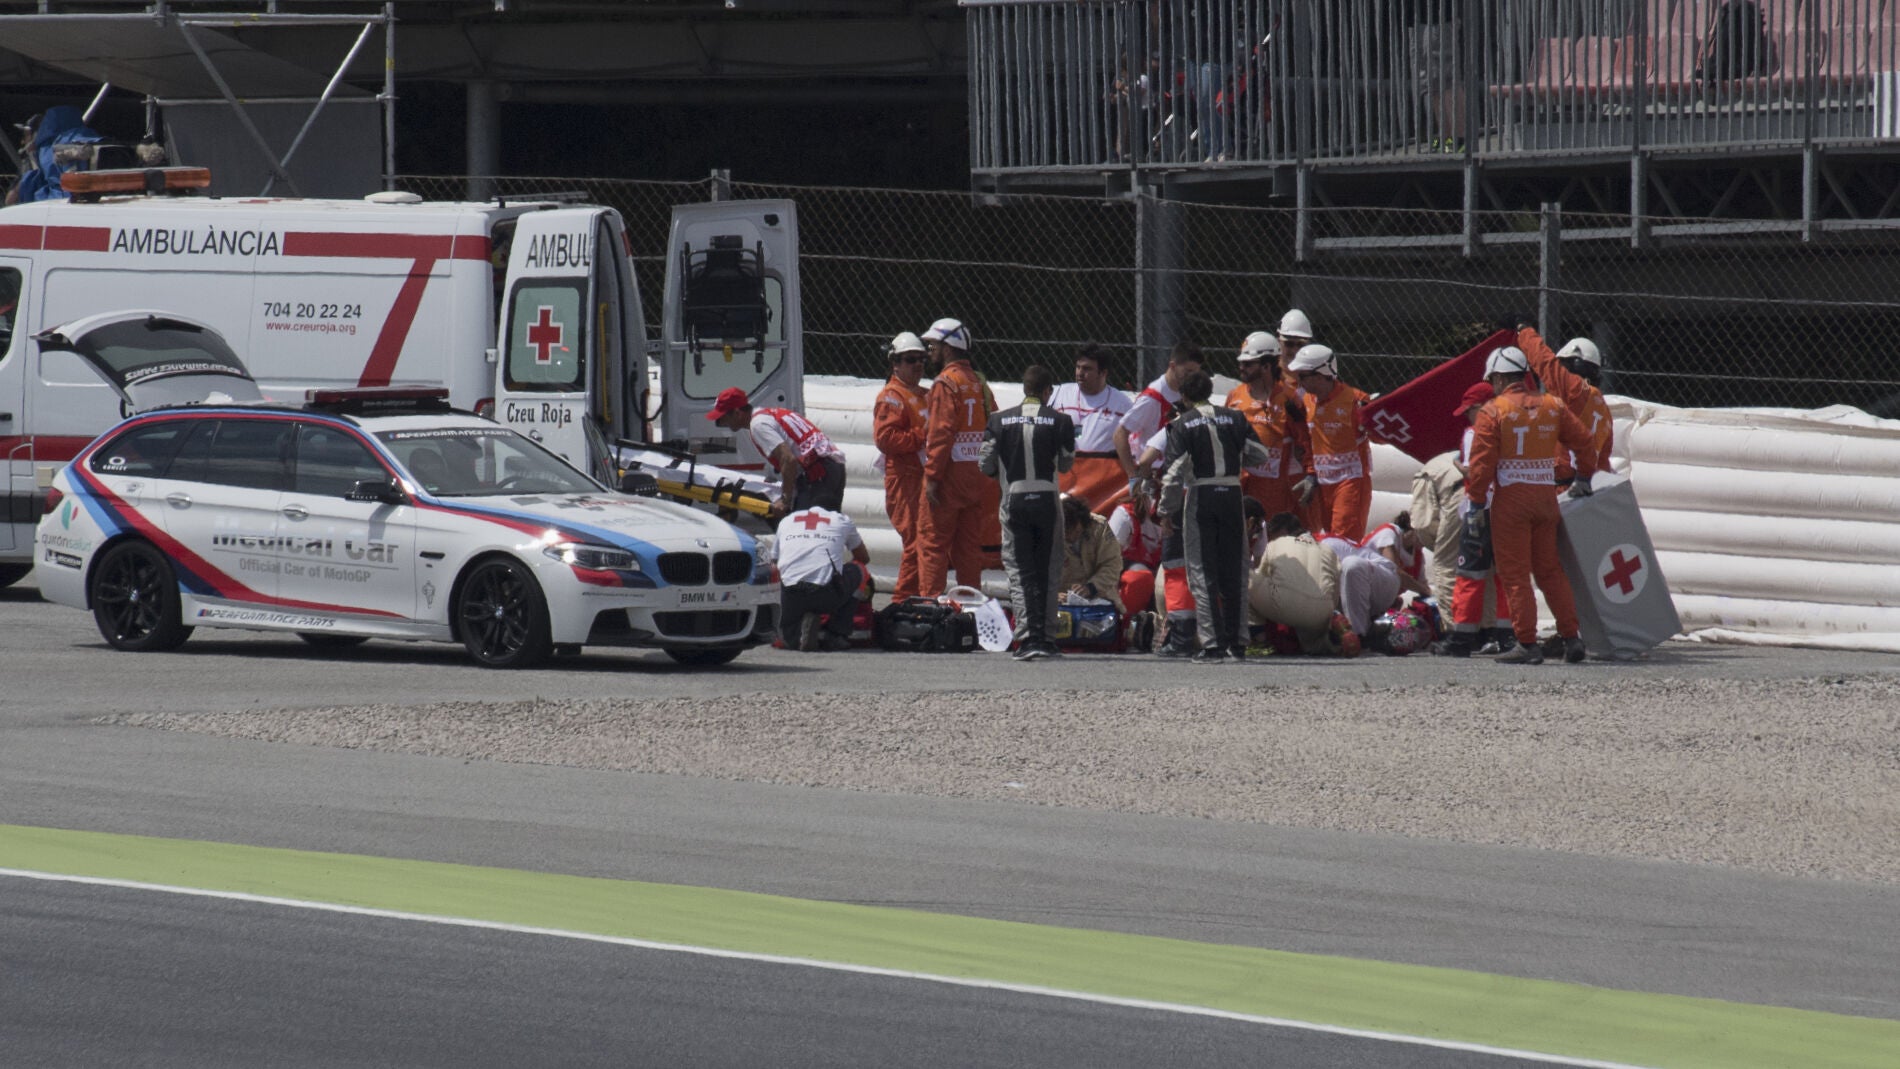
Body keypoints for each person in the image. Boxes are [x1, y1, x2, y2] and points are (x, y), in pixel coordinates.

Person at [1465, 346, 1599, 665]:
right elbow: (1584, 441)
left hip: (1511, 503)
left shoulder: (1492, 411)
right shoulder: (1553, 405)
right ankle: (1571, 637)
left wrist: (1476, 504)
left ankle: (1526, 643)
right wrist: (1583, 477)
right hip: (1545, 500)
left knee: (1515, 576)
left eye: (1492, 381)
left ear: (1499, 379)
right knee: (1550, 571)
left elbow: (1481, 466)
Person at [1159, 369, 1270, 663]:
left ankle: (1212, 645)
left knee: (1201, 570)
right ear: (1209, 392)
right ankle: (1238, 643)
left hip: (1201, 495)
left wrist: (1166, 512)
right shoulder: (1235, 418)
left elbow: (1172, 475)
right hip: (1233, 494)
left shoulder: (1182, 424)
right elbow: (1261, 453)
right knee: (1235, 569)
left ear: (1184, 396)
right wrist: (1235, 457)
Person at [978, 364, 1075, 661]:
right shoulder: (1061, 420)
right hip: (1047, 501)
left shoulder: (998, 420)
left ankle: (1026, 638)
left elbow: (984, 464)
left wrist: (1004, 473)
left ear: (1024, 389)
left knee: (1021, 572)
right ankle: (1046, 638)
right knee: (1048, 569)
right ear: (1047, 392)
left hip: (1014, 500)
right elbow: (1066, 464)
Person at [1414, 382, 1513, 654]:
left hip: (1475, 503)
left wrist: (1459, 467)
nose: (1467, 416)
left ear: (1481, 407)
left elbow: (1473, 473)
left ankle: (1457, 634)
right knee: (1501, 573)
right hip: (1506, 505)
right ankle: (1501, 635)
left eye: (1469, 410)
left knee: (1455, 568)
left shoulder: (1475, 431)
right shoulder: (1513, 427)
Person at [918, 316, 1002, 596]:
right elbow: (994, 422)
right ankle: (970, 608)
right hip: (975, 479)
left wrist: (932, 478)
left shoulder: (945, 383)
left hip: (948, 479)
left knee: (933, 546)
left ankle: (930, 607)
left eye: (933, 345)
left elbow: (940, 435)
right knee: (968, 549)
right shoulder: (978, 382)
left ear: (948, 347)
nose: (930, 350)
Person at [708, 388, 846, 515]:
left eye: (722, 418)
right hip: (833, 466)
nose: (721, 423)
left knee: (804, 526)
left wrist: (785, 499)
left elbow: (788, 459)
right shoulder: (772, 413)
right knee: (829, 523)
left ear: (737, 413)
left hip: (817, 474)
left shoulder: (758, 425)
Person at [1287, 344, 1374, 542]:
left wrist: (1373, 417)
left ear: (1321, 374)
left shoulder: (1355, 400)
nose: (1299, 381)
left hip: (1351, 482)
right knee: (1329, 541)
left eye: (1303, 376)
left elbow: (1380, 437)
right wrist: (1311, 474)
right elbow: (1306, 441)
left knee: (1343, 542)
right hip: (1323, 484)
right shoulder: (1304, 401)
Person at [1514, 324, 1615, 486]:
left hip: (1563, 487)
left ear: (1575, 365)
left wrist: (1524, 330)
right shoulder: (1604, 411)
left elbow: (1544, 362)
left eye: (1563, 365)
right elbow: (1603, 460)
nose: (1561, 370)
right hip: (1588, 487)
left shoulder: (1575, 388)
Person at [873, 331, 931, 600]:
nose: (917, 365)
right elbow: (885, 439)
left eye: (921, 359)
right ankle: (901, 602)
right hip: (904, 479)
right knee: (916, 541)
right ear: (895, 363)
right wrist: (923, 435)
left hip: (926, 477)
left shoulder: (927, 394)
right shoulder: (891, 397)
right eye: (910, 359)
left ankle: (920, 598)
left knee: (928, 540)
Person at [1250, 512, 1356, 657]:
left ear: (1283, 532)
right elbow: (1335, 594)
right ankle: (1330, 643)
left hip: (1288, 609)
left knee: (1247, 580)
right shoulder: (1327, 550)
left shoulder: (1276, 545)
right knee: (1311, 641)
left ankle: (1259, 640)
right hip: (1323, 612)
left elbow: (1262, 576)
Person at [773, 504, 871, 653]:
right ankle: (836, 634)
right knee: (859, 570)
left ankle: (797, 634)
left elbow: (773, 561)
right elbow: (863, 558)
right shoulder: (841, 520)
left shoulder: (787, 520)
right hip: (825, 596)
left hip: (789, 597)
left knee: (786, 640)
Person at [1049, 342, 1134, 512]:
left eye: (1087, 369)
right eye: (1078, 367)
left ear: (1103, 373)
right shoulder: (1058, 394)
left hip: (1102, 488)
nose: (1080, 372)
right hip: (1064, 480)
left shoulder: (1122, 404)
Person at [1319, 514, 1432, 641]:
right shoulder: (1389, 532)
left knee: (1352, 566)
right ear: (1414, 529)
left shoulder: (1417, 556)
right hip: (1366, 587)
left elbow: (1398, 573)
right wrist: (1425, 590)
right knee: (1351, 568)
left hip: (1380, 588)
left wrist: (1427, 593)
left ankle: (1360, 634)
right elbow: (1400, 573)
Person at [1225, 331, 1298, 521]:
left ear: (1267, 366)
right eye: (1241, 363)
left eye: (1248, 364)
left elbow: (1304, 443)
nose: (1241, 367)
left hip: (1272, 492)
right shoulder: (1235, 396)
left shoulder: (1289, 399)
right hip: (1237, 484)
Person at [1113, 340, 1201, 493]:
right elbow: (1120, 434)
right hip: (1152, 476)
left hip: (1176, 475)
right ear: (1172, 366)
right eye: (1188, 372)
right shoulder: (1152, 399)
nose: (1192, 377)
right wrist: (1133, 476)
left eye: (1195, 373)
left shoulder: (1187, 393)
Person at [6, 106, 103, 205]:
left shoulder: (45, 150)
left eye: (26, 135)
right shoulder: (87, 135)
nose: (23, 141)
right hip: (96, 193)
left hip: (61, 200)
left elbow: (10, 199)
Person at [1059, 492, 1126, 614]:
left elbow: (1113, 564)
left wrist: (1092, 587)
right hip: (1062, 608)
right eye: (1067, 533)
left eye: (1076, 531)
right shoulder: (1047, 535)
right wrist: (1053, 596)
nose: (1072, 537)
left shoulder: (1099, 528)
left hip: (1101, 599)